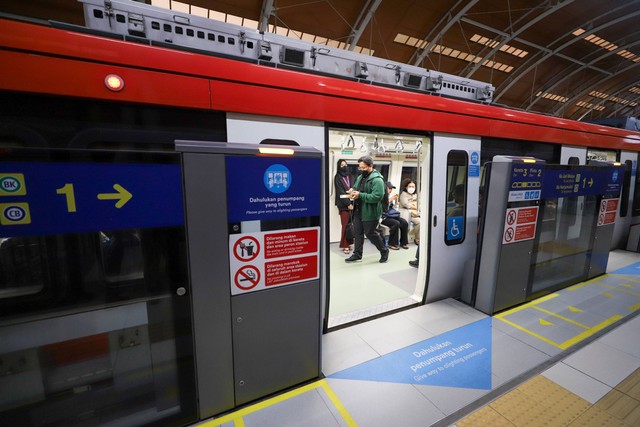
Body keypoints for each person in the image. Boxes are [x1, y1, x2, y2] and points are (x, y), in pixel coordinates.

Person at [345, 156, 389, 263]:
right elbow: (356, 188)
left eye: (364, 168)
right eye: (360, 168)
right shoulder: (361, 177)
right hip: (358, 210)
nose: (361, 170)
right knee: (358, 233)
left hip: (370, 212)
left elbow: (377, 197)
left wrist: (360, 195)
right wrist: (352, 191)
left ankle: (384, 251)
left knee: (370, 233)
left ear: (371, 166)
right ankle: (357, 254)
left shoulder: (377, 180)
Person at [381, 181, 409, 250]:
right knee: (396, 223)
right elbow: (382, 206)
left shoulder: (389, 196)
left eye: (391, 189)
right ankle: (392, 244)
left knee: (404, 222)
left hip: (391, 215)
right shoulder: (380, 195)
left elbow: (391, 207)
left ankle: (403, 242)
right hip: (383, 217)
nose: (390, 190)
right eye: (389, 188)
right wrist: (390, 200)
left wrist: (395, 203)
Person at [334, 159, 354, 254]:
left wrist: (352, 190)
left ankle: (349, 243)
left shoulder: (350, 176)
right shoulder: (337, 177)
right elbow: (340, 193)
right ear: (339, 166)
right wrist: (348, 203)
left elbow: (354, 187)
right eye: (342, 165)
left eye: (345, 165)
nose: (344, 167)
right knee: (345, 225)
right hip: (343, 205)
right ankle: (345, 245)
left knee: (350, 226)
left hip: (352, 203)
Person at [399, 178, 421, 245]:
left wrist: (415, 206)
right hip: (407, 215)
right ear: (406, 187)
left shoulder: (415, 195)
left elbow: (419, 204)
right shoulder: (403, 195)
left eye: (413, 187)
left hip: (416, 213)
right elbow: (406, 204)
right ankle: (417, 238)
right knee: (419, 222)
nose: (412, 188)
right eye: (410, 186)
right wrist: (414, 206)